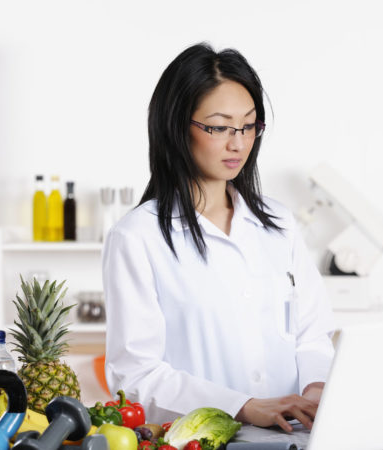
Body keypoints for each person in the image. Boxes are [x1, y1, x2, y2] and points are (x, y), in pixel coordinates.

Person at [102, 43, 335, 432]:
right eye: (219, 126)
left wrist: (314, 391)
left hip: (290, 439)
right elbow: (136, 376)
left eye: (248, 125)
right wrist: (242, 406)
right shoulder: (136, 237)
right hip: (201, 440)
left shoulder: (278, 223)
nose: (239, 143)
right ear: (177, 126)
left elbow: (313, 336)